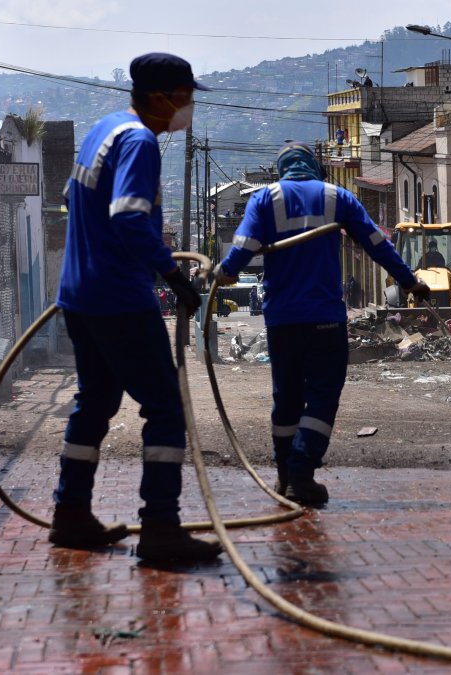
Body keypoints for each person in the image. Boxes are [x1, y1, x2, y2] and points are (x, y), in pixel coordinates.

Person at [52, 53, 221, 561]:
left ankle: (71, 514)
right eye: (185, 96)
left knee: (96, 404)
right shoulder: (140, 140)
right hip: (119, 297)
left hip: (79, 296)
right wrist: (173, 275)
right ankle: (161, 527)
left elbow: (69, 197)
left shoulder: (104, 127)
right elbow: (128, 218)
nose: (189, 106)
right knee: (166, 407)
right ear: (159, 98)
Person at [214, 141, 430, 506]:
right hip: (326, 321)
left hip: (282, 321)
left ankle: (286, 475)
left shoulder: (265, 200)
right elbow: (378, 243)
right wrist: (410, 282)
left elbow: (244, 246)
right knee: (322, 398)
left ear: (283, 170)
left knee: (287, 400)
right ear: (315, 167)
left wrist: (226, 272)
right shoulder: (337, 197)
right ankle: (301, 471)